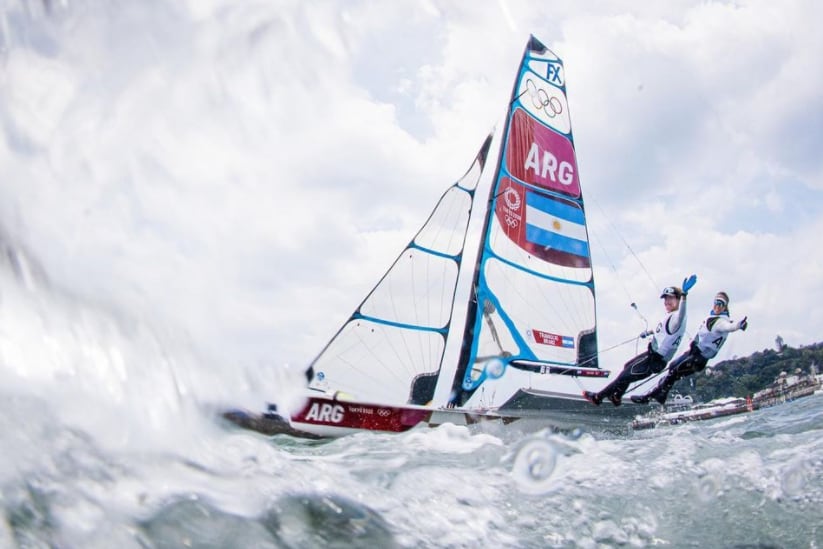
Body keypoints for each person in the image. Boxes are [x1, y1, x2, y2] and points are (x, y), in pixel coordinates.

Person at [583, 274, 696, 407]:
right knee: (627, 366)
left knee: (624, 376)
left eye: (670, 298)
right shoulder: (670, 316)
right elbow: (663, 330)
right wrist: (648, 332)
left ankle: (598, 397)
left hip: (655, 360)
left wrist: (684, 295)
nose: (667, 301)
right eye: (665, 299)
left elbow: (681, 315)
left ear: (678, 300)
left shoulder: (678, 317)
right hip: (651, 355)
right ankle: (616, 396)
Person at [630, 291, 748, 405]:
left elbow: (730, 327)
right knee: (672, 366)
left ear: (725, 307)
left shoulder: (721, 322)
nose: (717, 305)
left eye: (721, 303)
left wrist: (739, 325)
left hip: (698, 358)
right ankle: (661, 396)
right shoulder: (714, 317)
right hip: (693, 353)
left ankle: (649, 397)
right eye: (716, 302)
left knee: (674, 373)